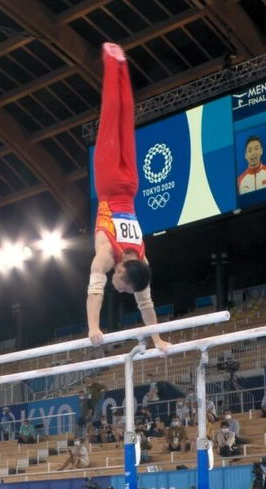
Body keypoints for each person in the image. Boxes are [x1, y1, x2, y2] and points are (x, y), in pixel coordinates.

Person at [86, 43, 170, 351]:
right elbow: (95, 290)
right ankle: (112, 61)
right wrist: (93, 327)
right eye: (121, 285)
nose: (119, 290)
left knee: (125, 119)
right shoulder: (108, 255)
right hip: (109, 183)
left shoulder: (142, 259)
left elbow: (145, 302)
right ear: (121, 271)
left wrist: (157, 338)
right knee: (111, 116)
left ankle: (121, 64)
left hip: (132, 185)